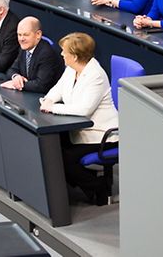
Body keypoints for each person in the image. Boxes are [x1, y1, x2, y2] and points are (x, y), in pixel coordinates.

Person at [40, 32, 118, 205]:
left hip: (102, 134)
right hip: (79, 129)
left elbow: (85, 109)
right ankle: (89, 182)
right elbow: (58, 89)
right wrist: (49, 99)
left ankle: (98, 187)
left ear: (74, 56)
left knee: (62, 158)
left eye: (64, 51)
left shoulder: (96, 75)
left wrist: (54, 108)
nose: (61, 54)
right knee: (49, 149)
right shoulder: (71, 69)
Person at [0, 17, 62, 93]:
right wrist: (16, 77)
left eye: (26, 35)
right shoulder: (24, 47)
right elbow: (12, 69)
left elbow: (41, 85)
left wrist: (15, 84)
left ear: (38, 34)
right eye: (19, 35)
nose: (21, 39)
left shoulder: (46, 53)